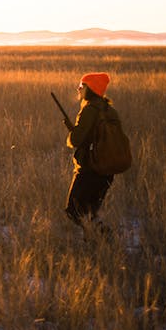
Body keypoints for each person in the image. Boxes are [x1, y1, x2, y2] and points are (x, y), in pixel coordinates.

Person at [63, 72, 119, 231]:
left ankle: (103, 237)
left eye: (82, 86)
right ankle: (99, 243)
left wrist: (72, 132)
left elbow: (76, 140)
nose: (78, 89)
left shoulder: (89, 110)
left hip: (90, 169)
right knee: (90, 213)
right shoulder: (108, 109)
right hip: (107, 170)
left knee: (74, 211)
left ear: (91, 89)